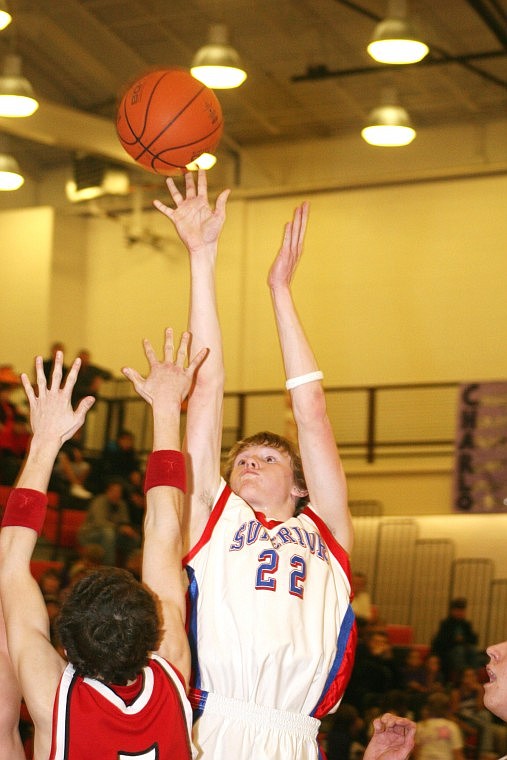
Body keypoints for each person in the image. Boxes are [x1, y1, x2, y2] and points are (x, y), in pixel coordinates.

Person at [154, 169, 357, 759]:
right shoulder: (213, 521)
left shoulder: (328, 532)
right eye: (241, 457)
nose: (247, 463)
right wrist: (202, 256)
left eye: (267, 457)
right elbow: (207, 384)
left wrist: (280, 290)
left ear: (298, 485)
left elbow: (311, 410)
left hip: (296, 734)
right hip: (215, 724)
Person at [0, 333, 204, 759]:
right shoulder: (171, 671)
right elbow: (164, 533)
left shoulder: (56, 701)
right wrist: (168, 409)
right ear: (155, 629)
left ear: (68, 648)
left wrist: (44, 441)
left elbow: (9, 565)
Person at [77, 475, 141, 565]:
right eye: (114, 491)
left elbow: (124, 523)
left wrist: (127, 530)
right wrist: (120, 528)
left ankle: (130, 568)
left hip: (113, 533)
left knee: (134, 538)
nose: (116, 494)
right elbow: (100, 522)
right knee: (108, 533)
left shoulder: (122, 504)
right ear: (108, 491)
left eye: (119, 492)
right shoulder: (99, 501)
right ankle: (108, 568)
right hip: (90, 533)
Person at [431, 598, 480, 684]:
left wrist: (463, 640)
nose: (460, 613)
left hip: (465, 650)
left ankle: (472, 673)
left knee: (472, 650)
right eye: (458, 610)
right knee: (459, 651)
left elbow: (474, 639)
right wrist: (455, 640)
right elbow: (442, 641)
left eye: (462, 610)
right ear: (452, 611)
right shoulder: (446, 624)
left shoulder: (466, 624)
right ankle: (463, 674)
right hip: (449, 651)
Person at [414, 692, 464, 760]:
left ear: (428, 708)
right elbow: (457, 755)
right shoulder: (452, 727)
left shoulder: (420, 726)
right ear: (447, 709)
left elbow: (416, 753)